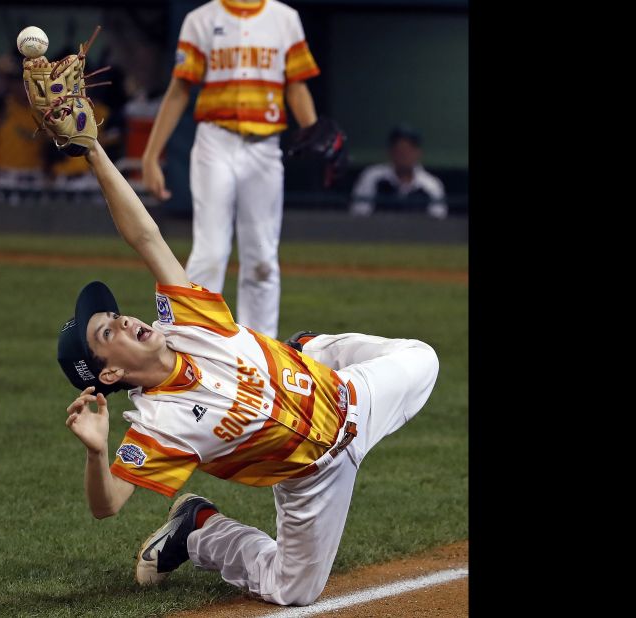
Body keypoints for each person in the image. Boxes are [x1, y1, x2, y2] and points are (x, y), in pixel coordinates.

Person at [57, 138, 440, 606]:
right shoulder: (159, 427)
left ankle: (308, 349)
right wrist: (97, 454)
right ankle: (197, 529)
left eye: (116, 315)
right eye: (107, 332)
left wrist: (94, 151)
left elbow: (145, 236)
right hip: (313, 477)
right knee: (294, 590)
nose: (124, 320)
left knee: (424, 358)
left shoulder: (184, 319)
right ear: (111, 373)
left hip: (349, 394)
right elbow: (107, 505)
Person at [140, 0, 323, 338]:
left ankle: (262, 350)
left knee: (263, 260)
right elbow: (180, 89)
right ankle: (194, 340)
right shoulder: (200, 19)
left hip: (265, 147)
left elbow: (297, 86)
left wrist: (313, 132)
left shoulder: (285, 19)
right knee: (210, 252)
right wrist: (151, 155)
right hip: (215, 142)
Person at [350, 124, 448, 219]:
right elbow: (359, 216)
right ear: (390, 152)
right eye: (399, 150)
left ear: (418, 153)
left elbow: (438, 223)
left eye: (408, 150)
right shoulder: (371, 177)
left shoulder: (431, 185)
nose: (404, 155)